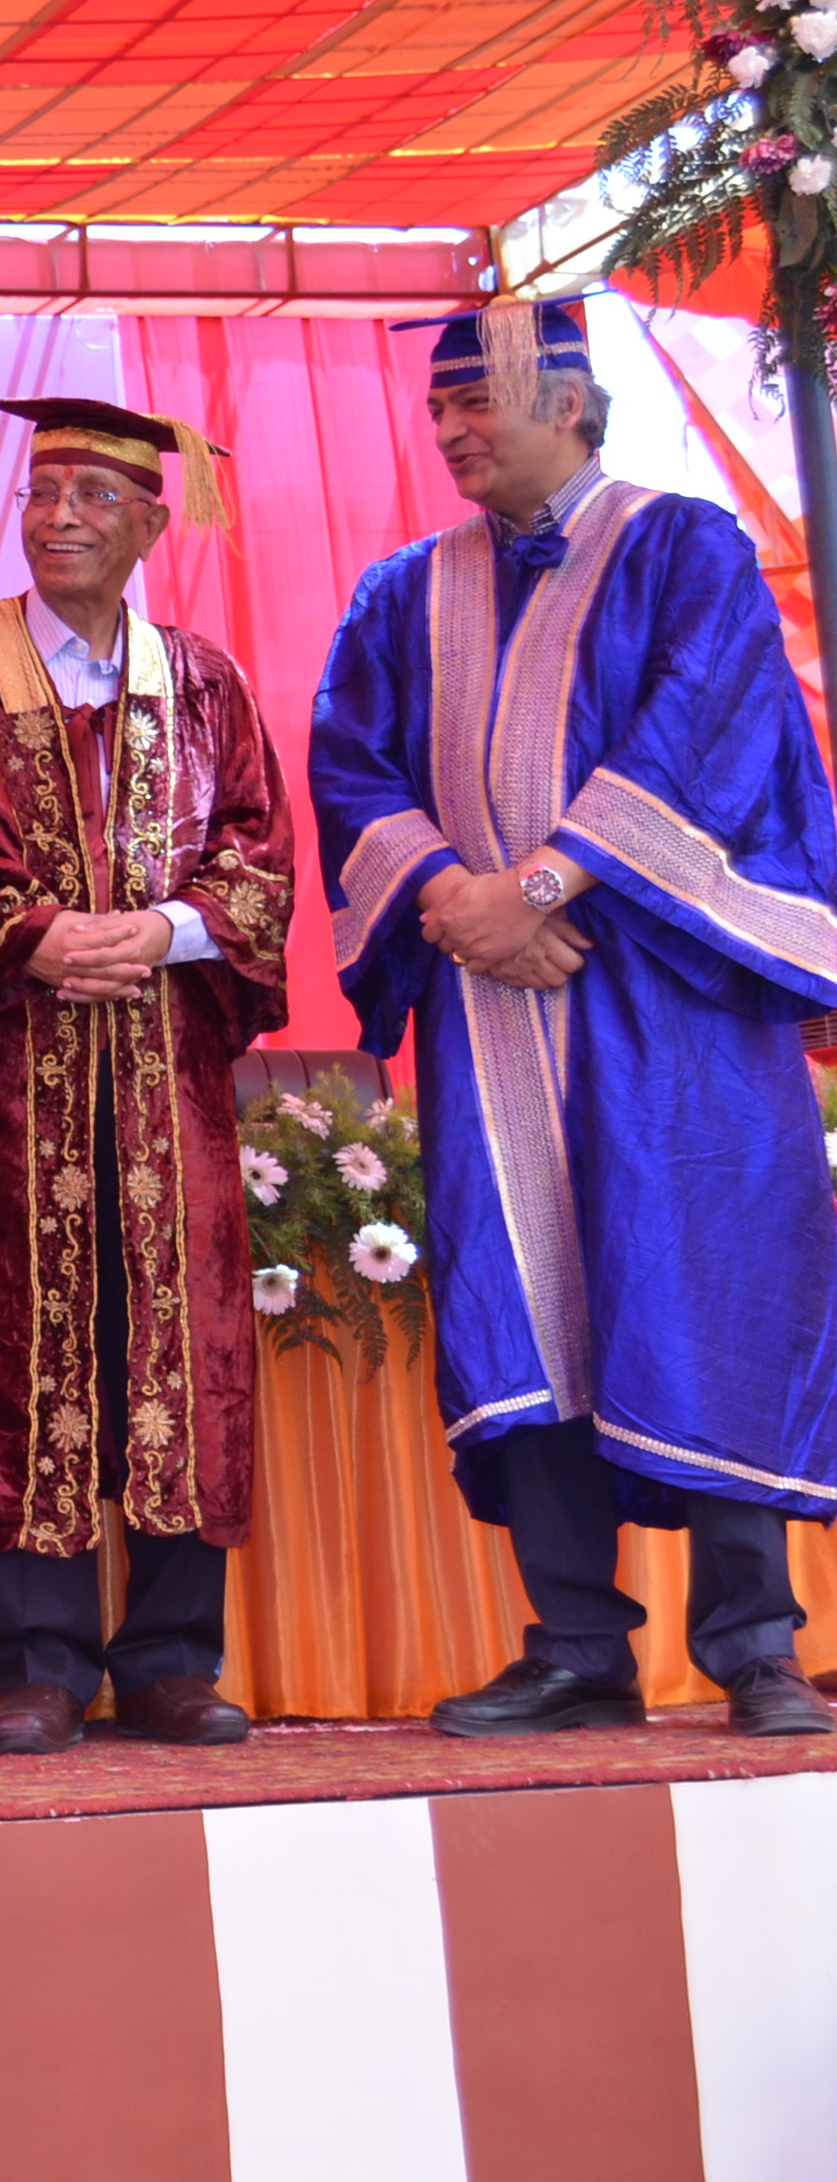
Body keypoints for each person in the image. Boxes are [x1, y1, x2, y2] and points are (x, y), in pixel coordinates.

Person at [309, 299, 837, 1741]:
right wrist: (452, 898)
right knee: (520, 1300)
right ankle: (577, 1647)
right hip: (491, 1008)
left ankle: (756, 1646)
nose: (454, 430)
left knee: (704, 1277)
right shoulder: (403, 592)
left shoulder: (686, 549)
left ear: (574, 404)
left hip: (672, 995)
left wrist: (540, 883)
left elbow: (708, 734)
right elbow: (352, 765)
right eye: (440, 408)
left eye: (480, 400)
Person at [0, 399, 295, 1755]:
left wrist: (165, 931)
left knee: (182, 1349)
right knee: (20, 1345)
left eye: (95, 496)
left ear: (153, 524)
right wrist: (35, 935)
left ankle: (172, 1660)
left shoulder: (205, 680)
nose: (60, 516)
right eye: (43, 491)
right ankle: (41, 1665)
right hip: (8, 1078)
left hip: (169, 1075)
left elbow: (257, 853)